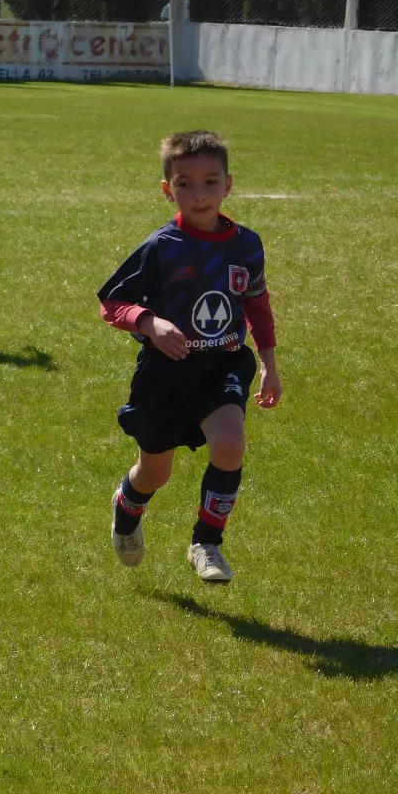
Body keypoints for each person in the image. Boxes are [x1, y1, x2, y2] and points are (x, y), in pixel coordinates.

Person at [97, 131, 282, 583]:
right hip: (165, 373)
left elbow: (256, 302)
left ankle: (207, 543)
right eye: (185, 184)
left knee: (230, 443)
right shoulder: (162, 246)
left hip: (221, 365)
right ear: (168, 190)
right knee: (154, 474)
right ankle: (126, 508)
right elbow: (112, 302)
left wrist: (268, 363)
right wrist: (149, 323)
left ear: (228, 184)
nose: (199, 194)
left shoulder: (246, 245)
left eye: (210, 182)